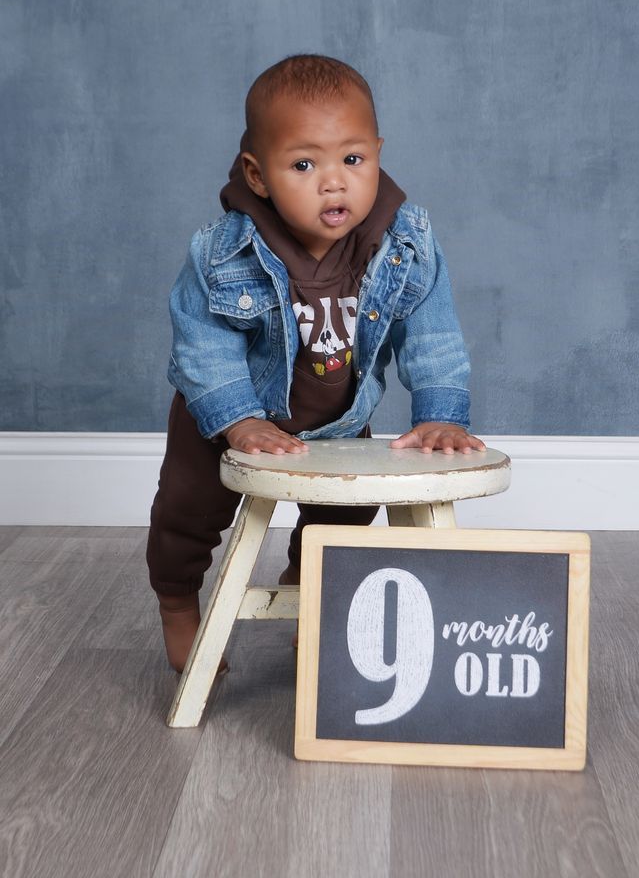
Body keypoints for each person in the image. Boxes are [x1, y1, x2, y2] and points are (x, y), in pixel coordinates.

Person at [147, 54, 485, 672]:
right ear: (258, 175)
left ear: (378, 153)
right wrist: (238, 419)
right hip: (229, 418)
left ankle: (312, 588)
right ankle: (178, 603)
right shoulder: (226, 252)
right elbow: (202, 343)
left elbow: (432, 334)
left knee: (346, 518)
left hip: (336, 417)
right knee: (187, 512)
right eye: (304, 164)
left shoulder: (404, 241)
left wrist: (441, 413)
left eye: (353, 160)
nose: (335, 182)